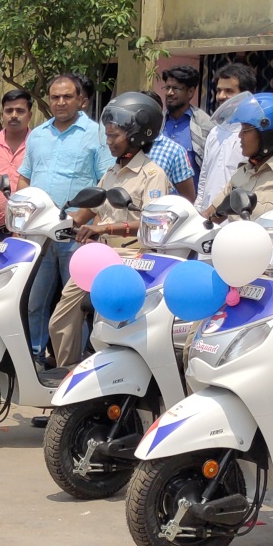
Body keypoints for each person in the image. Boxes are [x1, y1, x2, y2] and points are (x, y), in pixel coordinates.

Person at [47, 92, 171, 367]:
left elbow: (154, 223)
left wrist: (105, 228)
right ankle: (66, 373)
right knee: (60, 321)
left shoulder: (152, 175)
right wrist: (62, 224)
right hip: (99, 259)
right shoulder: (111, 173)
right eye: (107, 135)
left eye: (114, 136)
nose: (108, 142)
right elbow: (92, 206)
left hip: (133, 262)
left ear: (138, 136)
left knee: (111, 329)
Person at [17, 73, 109, 364]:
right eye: (55, 97)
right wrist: (24, 217)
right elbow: (24, 179)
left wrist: (77, 222)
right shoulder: (38, 134)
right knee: (35, 300)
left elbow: (105, 183)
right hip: (40, 235)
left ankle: (74, 362)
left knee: (75, 304)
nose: (60, 102)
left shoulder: (96, 134)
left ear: (80, 99)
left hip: (75, 236)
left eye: (67, 96)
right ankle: (34, 358)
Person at [196, 62, 258, 210]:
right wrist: (198, 209)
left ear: (246, 94)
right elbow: (204, 176)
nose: (221, 96)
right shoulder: (215, 132)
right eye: (218, 91)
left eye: (229, 91)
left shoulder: (255, 134)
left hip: (237, 218)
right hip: (208, 218)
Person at [0, 89, 33, 239]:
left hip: (29, 229)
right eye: (9, 110)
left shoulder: (39, 147)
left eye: (20, 111)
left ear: (29, 115)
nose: (14, 115)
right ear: (2, 115)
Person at [156, 64, 209, 175]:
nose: (169, 93)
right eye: (167, 88)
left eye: (175, 88)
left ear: (190, 92)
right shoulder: (157, 123)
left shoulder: (203, 125)